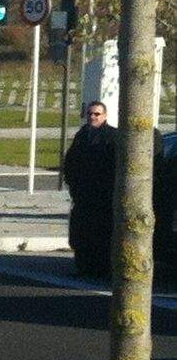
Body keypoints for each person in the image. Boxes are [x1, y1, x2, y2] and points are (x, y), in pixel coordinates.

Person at [62, 100, 119, 281]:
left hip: (103, 196)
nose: (93, 117)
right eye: (90, 114)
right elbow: (70, 161)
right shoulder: (82, 135)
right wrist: (72, 183)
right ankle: (83, 267)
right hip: (83, 194)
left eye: (97, 114)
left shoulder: (112, 136)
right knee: (81, 233)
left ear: (105, 116)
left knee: (102, 233)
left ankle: (102, 269)